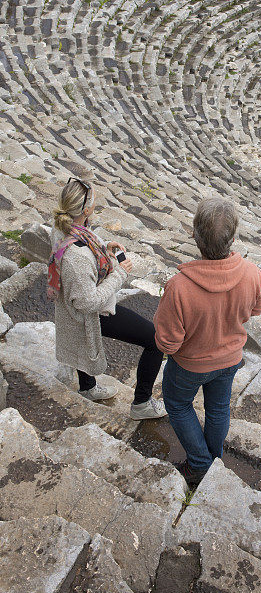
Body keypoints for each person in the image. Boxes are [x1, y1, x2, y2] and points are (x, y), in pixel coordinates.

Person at [154, 197, 261, 486]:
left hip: (190, 365)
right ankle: (213, 457)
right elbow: (255, 310)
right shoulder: (252, 274)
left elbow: (168, 343)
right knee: (218, 409)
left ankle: (201, 463)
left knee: (178, 405)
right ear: (233, 238)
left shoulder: (179, 286)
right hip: (230, 359)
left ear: (195, 235)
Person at [48, 177, 166, 420]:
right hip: (90, 312)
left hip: (73, 306)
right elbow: (89, 302)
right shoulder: (77, 258)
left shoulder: (61, 227)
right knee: (155, 340)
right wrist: (120, 274)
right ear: (87, 209)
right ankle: (141, 404)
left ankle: (88, 387)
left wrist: (103, 246)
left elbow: (84, 240)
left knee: (81, 334)